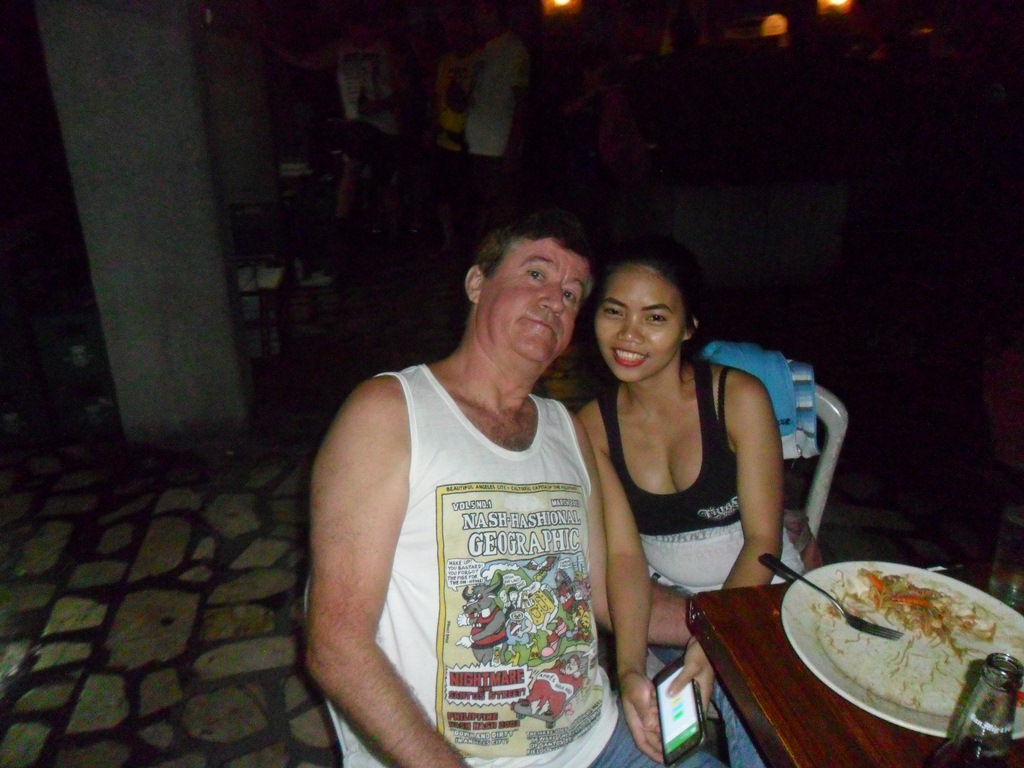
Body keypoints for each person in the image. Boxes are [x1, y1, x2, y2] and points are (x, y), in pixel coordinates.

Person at [306, 210, 723, 768]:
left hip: (601, 742)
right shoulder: (390, 412)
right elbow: (336, 643)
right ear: (477, 283)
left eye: (572, 294)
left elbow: (607, 588)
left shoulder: (566, 430)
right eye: (536, 274)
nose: (555, 300)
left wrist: (730, 624)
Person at [578, 235, 805, 768]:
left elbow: (763, 540)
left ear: (688, 327)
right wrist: (629, 669)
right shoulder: (592, 427)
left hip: (758, 598)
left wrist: (712, 644)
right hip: (670, 610)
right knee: (659, 736)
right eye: (614, 311)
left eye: (655, 318)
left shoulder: (737, 398)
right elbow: (625, 558)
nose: (628, 335)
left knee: (768, 732)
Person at [464, 0, 530, 239]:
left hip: (497, 144)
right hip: (476, 142)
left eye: (482, 12)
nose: (477, 19)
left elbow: (520, 102)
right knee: (482, 204)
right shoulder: (482, 49)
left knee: (502, 209)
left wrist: (512, 146)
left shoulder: (514, 49)